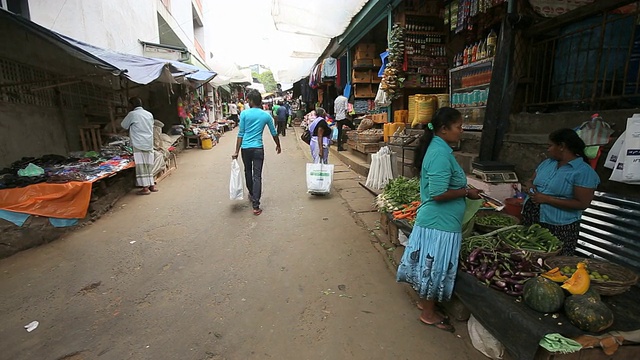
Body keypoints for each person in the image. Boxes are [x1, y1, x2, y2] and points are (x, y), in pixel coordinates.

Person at [396, 107, 482, 333]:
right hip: (439, 223)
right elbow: (437, 193)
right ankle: (428, 314)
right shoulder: (440, 154)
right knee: (434, 269)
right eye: (459, 127)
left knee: (428, 266)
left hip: (438, 222)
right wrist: (466, 193)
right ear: (444, 129)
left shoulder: (437, 148)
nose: (461, 131)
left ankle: (426, 303)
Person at [522, 128, 600, 255]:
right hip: (532, 218)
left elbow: (582, 204)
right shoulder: (548, 163)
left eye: (550, 145)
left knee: (554, 262)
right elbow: (530, 181)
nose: (548, 149)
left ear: (562, 146)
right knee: (529, 257)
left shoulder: (583, 172)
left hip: (559, 226)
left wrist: (547, 199)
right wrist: (531, 189)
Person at [232, 89, 281, 216]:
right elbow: (274, 132)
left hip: (245, 148)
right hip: (258, 148)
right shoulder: (265, 116)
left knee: (247, 171)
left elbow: (240, 133)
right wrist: (278, 145)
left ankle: (252, 194)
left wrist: (236, 151)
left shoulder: (244, 114)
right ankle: (256, 205)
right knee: (257, 175)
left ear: (251, 100)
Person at [121, 97, 158, 195]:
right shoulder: (149, 114)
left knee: (141, 166)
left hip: (138, 142)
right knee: (149, 165)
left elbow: (124, 125)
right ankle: (152, 185)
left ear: (132, 105)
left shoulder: (132, 114)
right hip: (148, 142)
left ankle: (145, 188)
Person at [333, 87, 355, 151]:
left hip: (338, 118)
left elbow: (335, 111)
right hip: (343, 117)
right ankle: (353, 140)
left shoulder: (336, 100)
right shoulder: (345, 99)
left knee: (339, 132)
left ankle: (339, 147)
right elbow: (346, 109)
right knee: (352, 126)